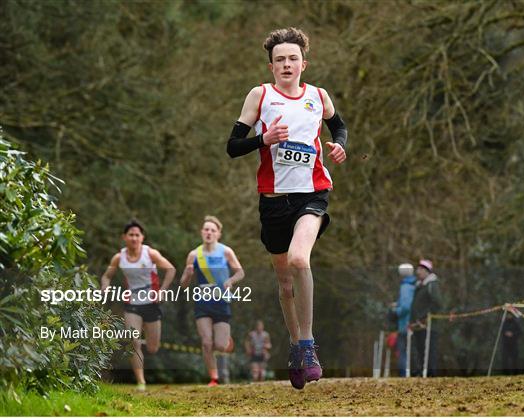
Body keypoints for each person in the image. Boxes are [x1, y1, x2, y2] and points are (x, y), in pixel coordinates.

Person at [226, 27, 347, 389]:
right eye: (280, 59)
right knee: (284, 282)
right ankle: (295, 345)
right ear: (271, 66)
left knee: (299, 260)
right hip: (274, 200)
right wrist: (264, 139)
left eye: (293, 58)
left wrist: (339, 146)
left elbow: (338, 127)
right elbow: (232, 146)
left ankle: (308, 344)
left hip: (313, 193)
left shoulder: (318, 96)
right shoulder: (260, 96)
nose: (286, 64)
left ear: (303, 64)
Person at [101, 219, 176, 391]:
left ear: (142, 237)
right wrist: (105, 286)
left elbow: (171, 269)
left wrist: (162, 290)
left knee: (152, 347)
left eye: (137, 235)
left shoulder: (150, 254)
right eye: (131, 235)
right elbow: (106, 276)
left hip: (151, 302)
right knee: (132, 341)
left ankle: (144, 343)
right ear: (124, 237)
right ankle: (141, 381)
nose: (134, 238)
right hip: (132, 303)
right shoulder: (119, 257)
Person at [180, 215, 245, 387]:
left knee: (221, 346)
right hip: (203, 302)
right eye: (206, 229)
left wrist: (230, 281)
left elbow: (240, 272)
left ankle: (225, 340)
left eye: (212, 230)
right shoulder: (194, 255)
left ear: (218, 234)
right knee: (206, 342)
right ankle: (214, 378)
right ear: (202, 232)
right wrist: (187, 275)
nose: (209, 232)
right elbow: (184, 285)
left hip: (221, 301)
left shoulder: (226, 251)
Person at [409, 259, 442, 377]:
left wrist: (426, 317)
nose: (418, 272)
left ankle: (430, 374)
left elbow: (437, 303)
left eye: (421, 269)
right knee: (419, 349)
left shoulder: (432, 285)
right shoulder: (419, 286)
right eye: (418, 269)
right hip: (418, 324)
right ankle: (420, 372)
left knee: (429, 350)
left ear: (427, 271)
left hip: (428, 324)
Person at [390, 263, 416, 377]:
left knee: (402, 351)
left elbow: (406, 306)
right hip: (411, 323)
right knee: (409, 350)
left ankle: (404, 375)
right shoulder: (413, 284)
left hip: (404, 324)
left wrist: (396, 310)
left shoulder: (405, 286)